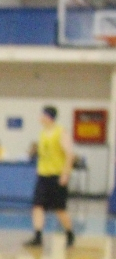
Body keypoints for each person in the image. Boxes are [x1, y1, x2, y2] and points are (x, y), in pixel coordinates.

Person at [25, 106, 74, 248]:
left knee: (59, 209)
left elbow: (70, 154)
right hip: (43, 175)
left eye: (42, 115)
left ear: (48, 116)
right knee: (37, 205)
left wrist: (65, 174)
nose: (40, 118)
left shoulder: (61, 132)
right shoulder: (42, 133)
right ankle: (38, 236)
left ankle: (70, 233)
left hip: (57, 175)